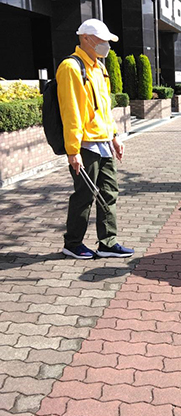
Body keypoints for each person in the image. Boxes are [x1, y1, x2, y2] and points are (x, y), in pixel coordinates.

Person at [56, 18, 134, 260]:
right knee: (85, 195)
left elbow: (104, 107)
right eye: (102, 41)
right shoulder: (71, 67)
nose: (106, 46)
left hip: (103, 142)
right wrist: (73, 150)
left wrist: (114, 136)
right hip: (85, 144)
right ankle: (73, 243)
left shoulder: (99, 67)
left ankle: (107, 243)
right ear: (86, 39)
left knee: (109, 192)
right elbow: (71, 111)